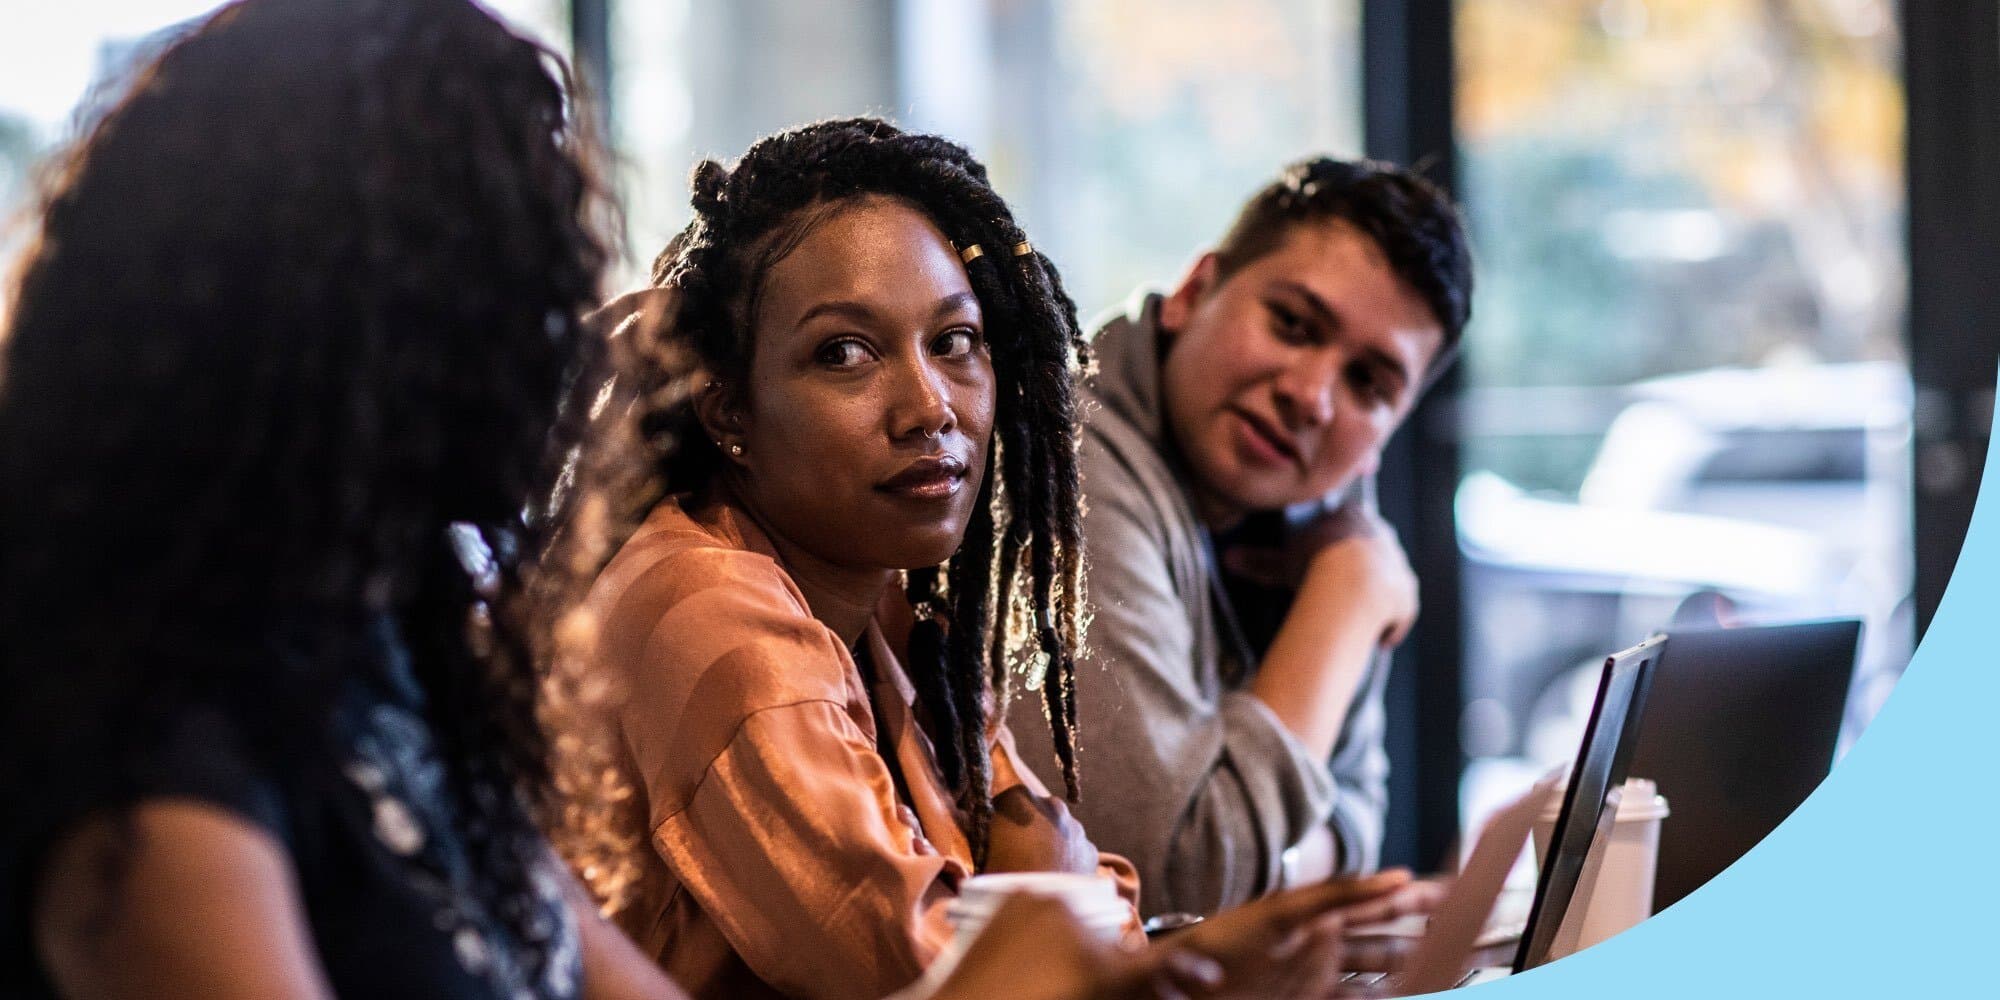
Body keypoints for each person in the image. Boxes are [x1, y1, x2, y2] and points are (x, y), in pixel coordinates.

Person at [0, 2, 696, 996]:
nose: (564, 343)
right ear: (343, 329)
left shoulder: (401, 652)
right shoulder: (143, 749)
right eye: (515, 286)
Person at [1007, 157, 1474, 918]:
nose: (1311, 397)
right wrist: (1346, 603)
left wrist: (1258, 875)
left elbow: (1356, 818)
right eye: (1292, 325)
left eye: (1369, 384)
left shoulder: (1325, 516)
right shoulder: (1062, 462)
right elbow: (1160, 889)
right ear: (1194, 293)